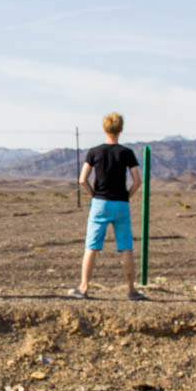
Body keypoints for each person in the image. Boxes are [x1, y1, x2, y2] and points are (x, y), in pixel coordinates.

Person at [70, 112, 145, 300]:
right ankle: (131, 290)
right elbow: (137, 180)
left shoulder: (94, 152)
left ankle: (84, 287)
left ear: (105, 128)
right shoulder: (127, 153)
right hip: (121, 203)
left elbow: (82, 180)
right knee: (126, 246)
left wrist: (94, 195)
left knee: (92, 246)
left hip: (100, 203)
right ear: (120, 129)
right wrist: (127, 195)